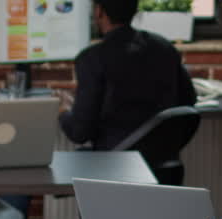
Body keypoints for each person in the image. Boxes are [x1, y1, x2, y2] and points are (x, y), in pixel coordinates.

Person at [56, 0, 198, 151]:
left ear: (99, 12)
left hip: (115, 165)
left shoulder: (92, 58)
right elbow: (189, 99)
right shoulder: (164, 47)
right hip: (162, 164)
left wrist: (63, 110)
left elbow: (79, 133)